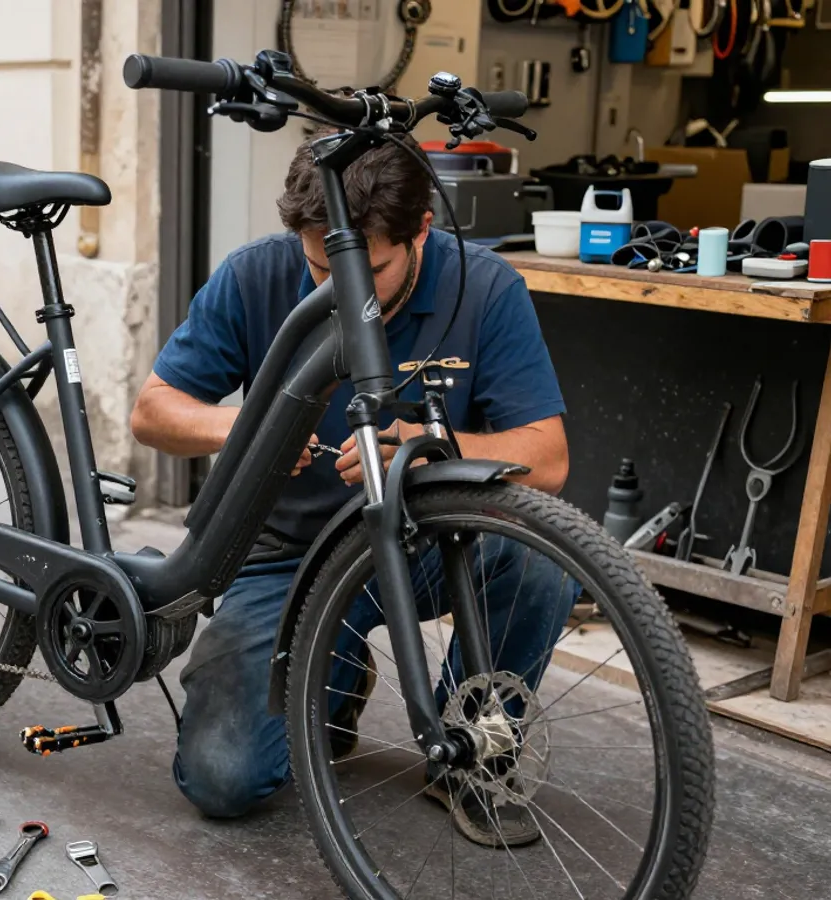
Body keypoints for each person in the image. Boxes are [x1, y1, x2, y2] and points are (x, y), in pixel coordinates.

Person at [129, 126, 576, 848]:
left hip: (431, 544)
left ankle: (475, 752)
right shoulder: (254, 276)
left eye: (369, 270)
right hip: (288, 558)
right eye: (318, 267)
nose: (339, 290)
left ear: (422, 232)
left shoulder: (485, 286)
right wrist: (246, 427)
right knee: (223, 781)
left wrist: (436, 453)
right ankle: (334, 672)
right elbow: (153, 412)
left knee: (538, 559)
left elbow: (547, 458)